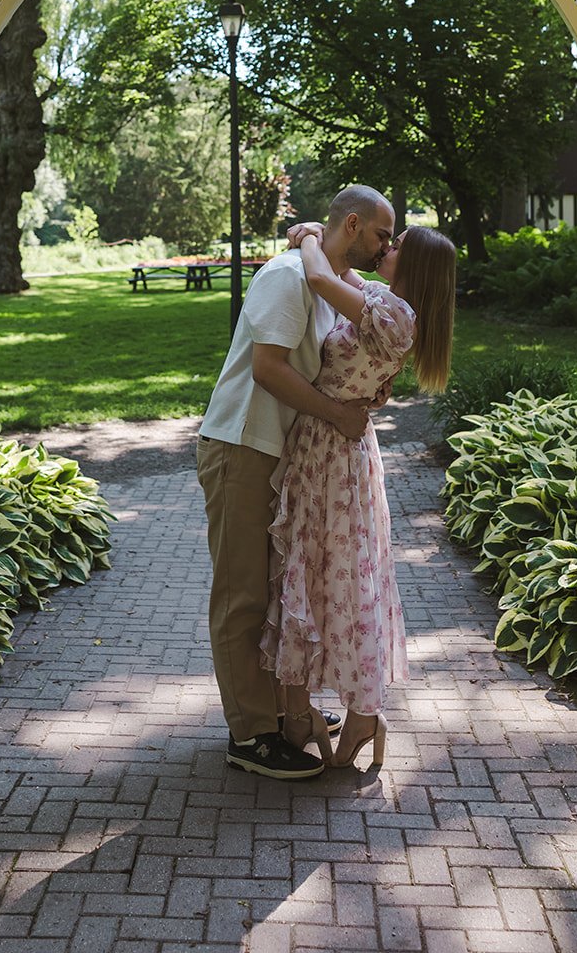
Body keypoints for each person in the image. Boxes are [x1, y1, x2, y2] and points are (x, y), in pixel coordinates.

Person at [197, 185, 396, 780]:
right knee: (243, 596)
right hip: (242, 446)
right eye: (383, 235)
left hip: (275, 455)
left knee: (271, 589)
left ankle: (279, 719)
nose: (388, 246)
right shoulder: (287, 277)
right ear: (355, 225)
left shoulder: (327, 283)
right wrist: (337, 415)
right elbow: (269, 368)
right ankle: (250, 735)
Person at [260, 222, 456, 768]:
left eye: (396, 247)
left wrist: (305, 237)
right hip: (328, 447)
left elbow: (323, 277)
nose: (385, 250)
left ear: (412, 265)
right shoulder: (387, 303)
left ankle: (354, 713)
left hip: (333, 452)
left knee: (332, 576)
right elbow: (341, 274)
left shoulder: (396, 315)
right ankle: (301, 711)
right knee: (316, 571)